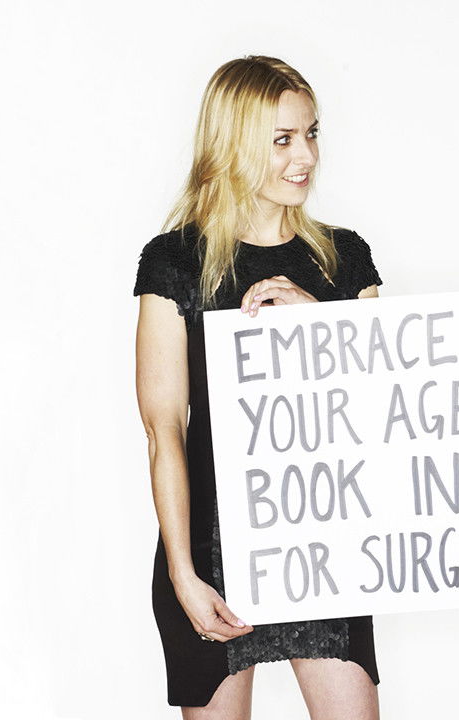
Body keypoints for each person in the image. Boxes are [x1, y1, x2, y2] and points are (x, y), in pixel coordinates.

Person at [134, 56, 382, 719]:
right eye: (283, 139)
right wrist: (183, 574)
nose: (307, 156)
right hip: (211, 548)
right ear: (234, 143)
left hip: (325, 543)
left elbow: (391, 403)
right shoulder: (176, 263)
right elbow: (164, 430)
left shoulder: (344, 259)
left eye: (312, 133)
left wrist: (321, 324)